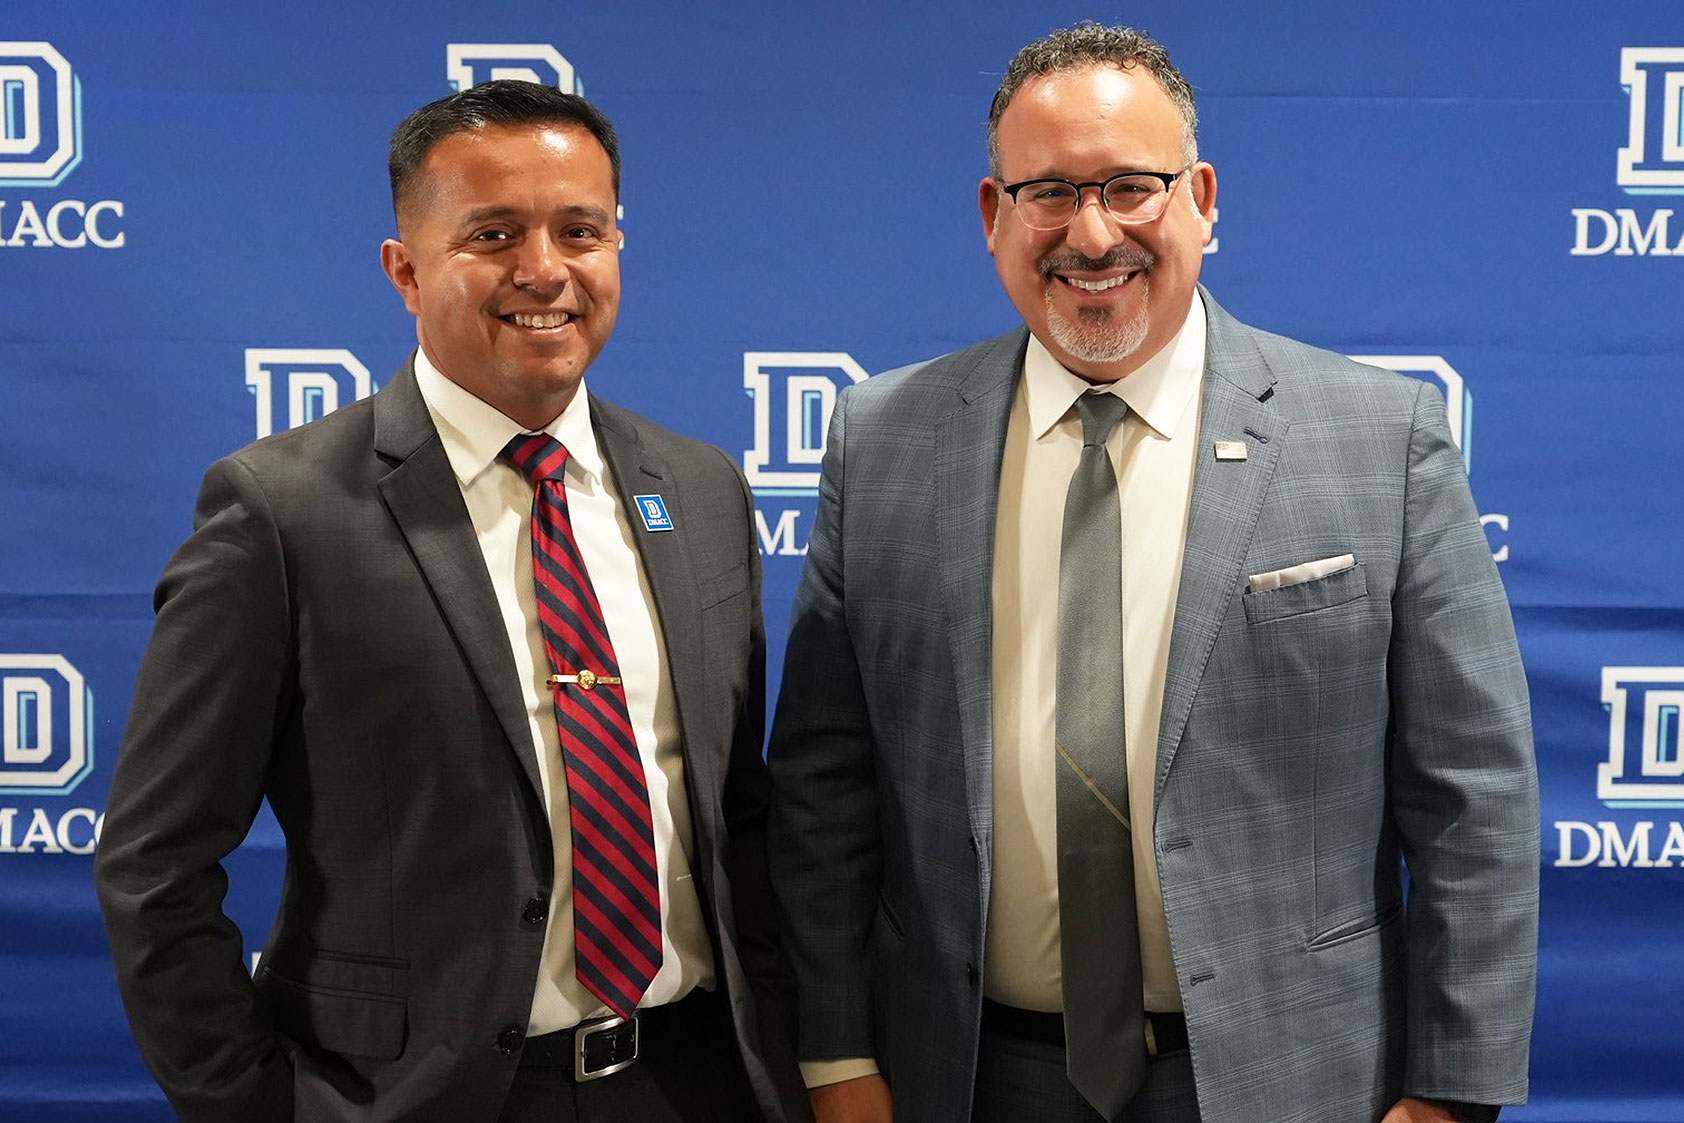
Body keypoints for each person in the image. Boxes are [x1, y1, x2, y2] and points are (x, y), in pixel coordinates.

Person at [765, 23, 1537, 1123]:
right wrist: (835, 1053)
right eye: (1048, 192)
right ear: (994, 216)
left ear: (1202, 200)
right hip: (968, 1074)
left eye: (1132, 187)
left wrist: (1452, 1093)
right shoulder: (882, 438)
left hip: (1294, 1077)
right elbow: (822, 787)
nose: (1091, 233)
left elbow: (1476, 800)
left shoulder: (1380, 436)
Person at [95, 80, 807, 1123]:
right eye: (492, 233)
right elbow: (155, 866)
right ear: (405, 268)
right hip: (419, 1097)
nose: (544, 270)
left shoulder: (698, 489)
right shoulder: (280, 512)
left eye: (581, 230)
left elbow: (743, 817)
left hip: (695, 1081)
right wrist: (260, 1107)